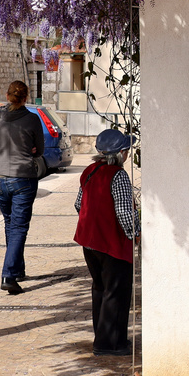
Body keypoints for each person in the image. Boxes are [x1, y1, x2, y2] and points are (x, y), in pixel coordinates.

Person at [75, 128, 139, 356]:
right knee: (116, 291)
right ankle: (110, 343)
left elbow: (78, 204)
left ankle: (101, 338)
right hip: (111, 243)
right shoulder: (118, 175)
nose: (128, 154)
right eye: (127, 150)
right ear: (120, 153)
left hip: (89, 242)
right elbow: (124, 212)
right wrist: (136, 235)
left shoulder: (90, 171)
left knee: (100, 289)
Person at [0, 79, 44, 294]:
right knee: (19, 227)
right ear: (25, 98)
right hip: (23, 177)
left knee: (10, 223)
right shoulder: (32, 119)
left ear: (7, 95)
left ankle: (17, 269)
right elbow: (39, 150)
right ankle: (9, 275)